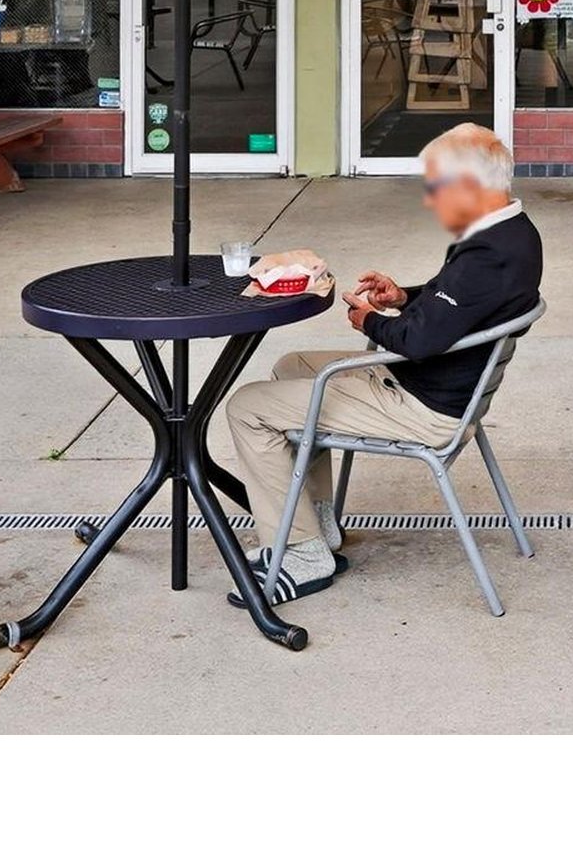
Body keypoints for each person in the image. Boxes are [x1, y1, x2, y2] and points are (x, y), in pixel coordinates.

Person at [222, 122, 541, 605]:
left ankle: (301, 555)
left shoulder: (487, 257)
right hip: (440, 383)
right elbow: (455, 306)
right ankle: (318, 522)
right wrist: (404, 295)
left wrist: (369, 319)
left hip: (423, 403)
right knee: (293, 365)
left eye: (438, 186)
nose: (431, 199)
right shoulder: (511, 233)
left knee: (247, 408)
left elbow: (418, 341)